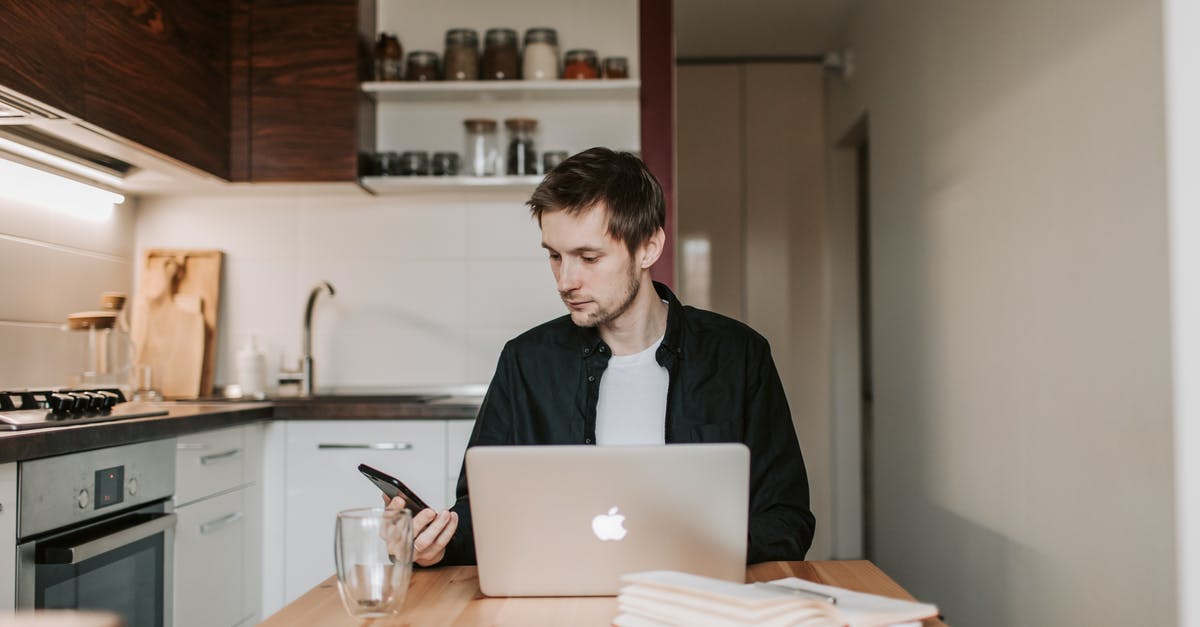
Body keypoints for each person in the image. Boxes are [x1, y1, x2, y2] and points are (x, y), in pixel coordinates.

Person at [385, 147, 815, 566]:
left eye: (588, 257)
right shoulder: (525, 362)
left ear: (648, 247)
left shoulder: (738, 356)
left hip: (694, 601)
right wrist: (433, 542)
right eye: (555, 256)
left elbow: (787, 519)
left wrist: (695, 547)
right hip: (558, 602)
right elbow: (480, 513)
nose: (566, 281)